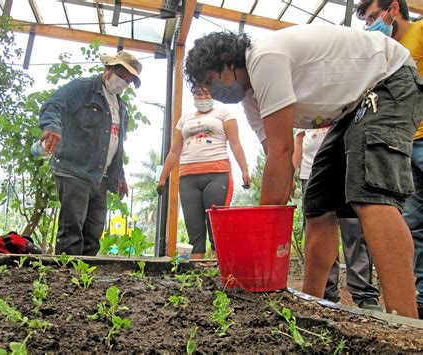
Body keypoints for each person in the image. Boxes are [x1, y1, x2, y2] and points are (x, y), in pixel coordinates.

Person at [184, 25, 422, 318]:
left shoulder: (263, 57)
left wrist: (261, 236)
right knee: (318, 203)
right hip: (351, 109)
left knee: (370, 193)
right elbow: (276, 158)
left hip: (388, 81)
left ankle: (406, 324)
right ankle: (311, 306)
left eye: (212, 80)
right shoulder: (251, 101)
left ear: (228, 62)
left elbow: (283, 151)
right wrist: (268, 222)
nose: (217, 93)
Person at [38, 51, 142, 256]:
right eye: (122, 76)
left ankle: (83, 283)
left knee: (93, 234)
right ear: (109, 68)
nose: (123, 83)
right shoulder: (83, 89)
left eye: (128, 81)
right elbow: (54, 105)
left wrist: (119, 176)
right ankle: (64, 280)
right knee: (72, 233)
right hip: (75, 171)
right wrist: (52, 127)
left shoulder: (121, 108)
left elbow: (116, 145)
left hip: (100, 178)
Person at [356, 0, 423, 319]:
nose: (371, 25)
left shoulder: (421, 31)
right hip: (404, 144)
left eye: (373, 17)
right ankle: (419, 297)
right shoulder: (385, 50)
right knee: (413, 223)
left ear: (393, 8)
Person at [157, 87, 250, 259]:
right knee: (194, 231)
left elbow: (235, 144)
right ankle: (198, 275)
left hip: (217, 174)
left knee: (216, 227)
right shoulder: (184, 119)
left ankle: (220, 272)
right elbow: (174, 152)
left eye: (207, 93)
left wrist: (244, 170)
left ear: (213, 94)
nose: (203, 97)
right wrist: (163, 177)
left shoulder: (224, 113)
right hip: (187, 178)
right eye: (199, 93)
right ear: (193, 96)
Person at [293, 128, 381, 310]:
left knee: (354, 231)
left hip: (349, 170)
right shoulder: (307, 113)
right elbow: (298, 143)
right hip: (311, 174)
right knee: (320, 231)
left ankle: (364, 295)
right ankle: (327, 293)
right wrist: (290, 172)